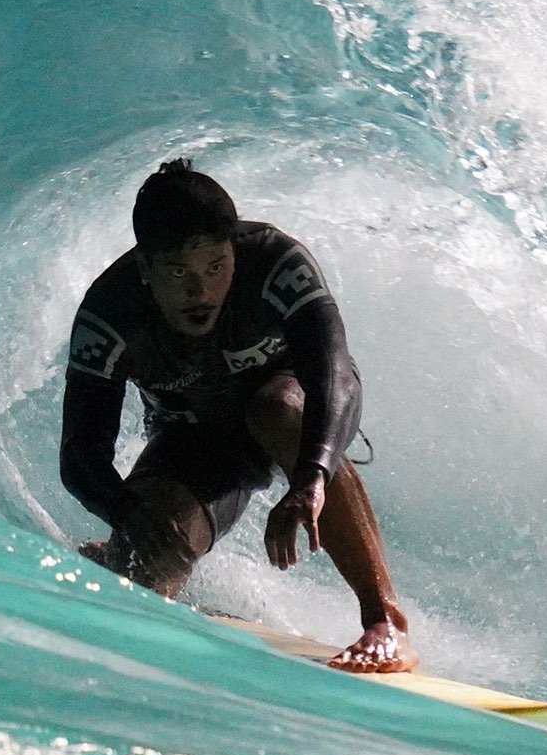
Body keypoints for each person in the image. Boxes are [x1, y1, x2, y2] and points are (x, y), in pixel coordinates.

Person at [60, 159, 417, 673]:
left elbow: (333, 373)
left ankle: (384, 623)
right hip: (197, 438)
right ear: (145, 268)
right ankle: (118, 556)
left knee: (274, 409)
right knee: (148, 560)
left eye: (215, 267)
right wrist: (127, 513)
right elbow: (80, 457)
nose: (200, 292)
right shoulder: (110, 315)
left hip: (301, 413)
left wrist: (313, 476)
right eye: (179, 273)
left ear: (234, 252)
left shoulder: (276, 264)